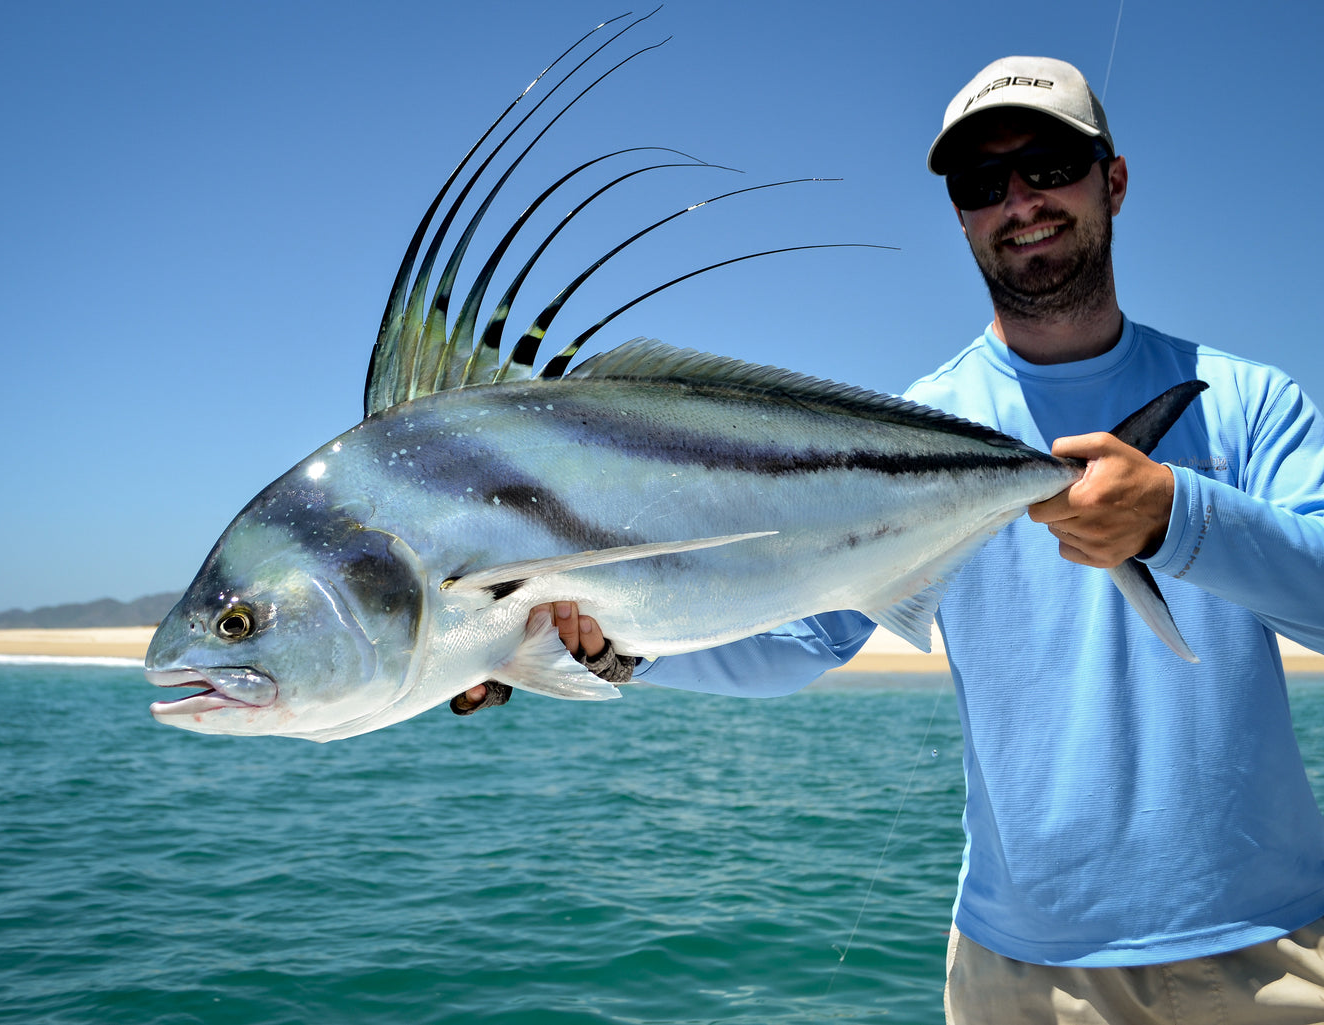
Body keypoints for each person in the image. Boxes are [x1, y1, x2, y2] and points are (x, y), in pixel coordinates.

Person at [458, 56, 1324, 1023]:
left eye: (1047, 165)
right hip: (1017, 973)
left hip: (1271, 951)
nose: (1019, 201)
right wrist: (620, 651)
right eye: (982, 184)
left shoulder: (1250, 402)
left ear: (1112, 180)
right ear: (961, 215)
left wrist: (1178, 514)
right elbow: (805, 637)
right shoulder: (922, 422)